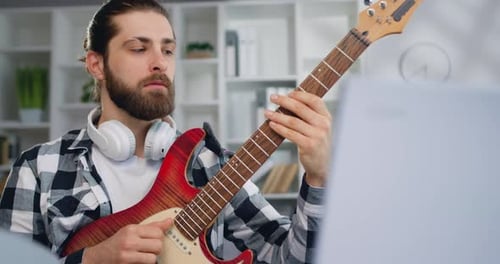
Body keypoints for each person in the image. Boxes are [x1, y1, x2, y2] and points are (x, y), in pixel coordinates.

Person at [0, 0, 332, 263]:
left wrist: (318, 177)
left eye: (168, 49)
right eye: (139, 48)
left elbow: (292, 258)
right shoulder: (37, 168)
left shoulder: (213, 166)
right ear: (96, 64)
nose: (160, 62)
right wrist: (90, 260)